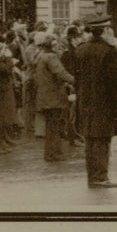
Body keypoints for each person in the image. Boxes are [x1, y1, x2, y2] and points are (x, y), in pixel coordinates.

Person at [74, 13, 117, 188]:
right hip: (104, 104)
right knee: (103, 141)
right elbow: (115, 83)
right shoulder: (109, 51)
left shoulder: (80, 49)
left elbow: (76, 79)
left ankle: (92, 177)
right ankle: (101, 176)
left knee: (90, 141)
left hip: (85, 102)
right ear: (104, 30)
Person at [33, 32, 75, 162]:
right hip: (53, 97)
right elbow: (60, 73)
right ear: (51, 45)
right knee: (55, 126)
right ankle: (55, 153)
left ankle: (50, 154)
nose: (58, 47)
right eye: (56, 44)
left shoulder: (41, 56)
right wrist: (76, 80)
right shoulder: (51, 57)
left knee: (51, 127)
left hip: (45, 96)